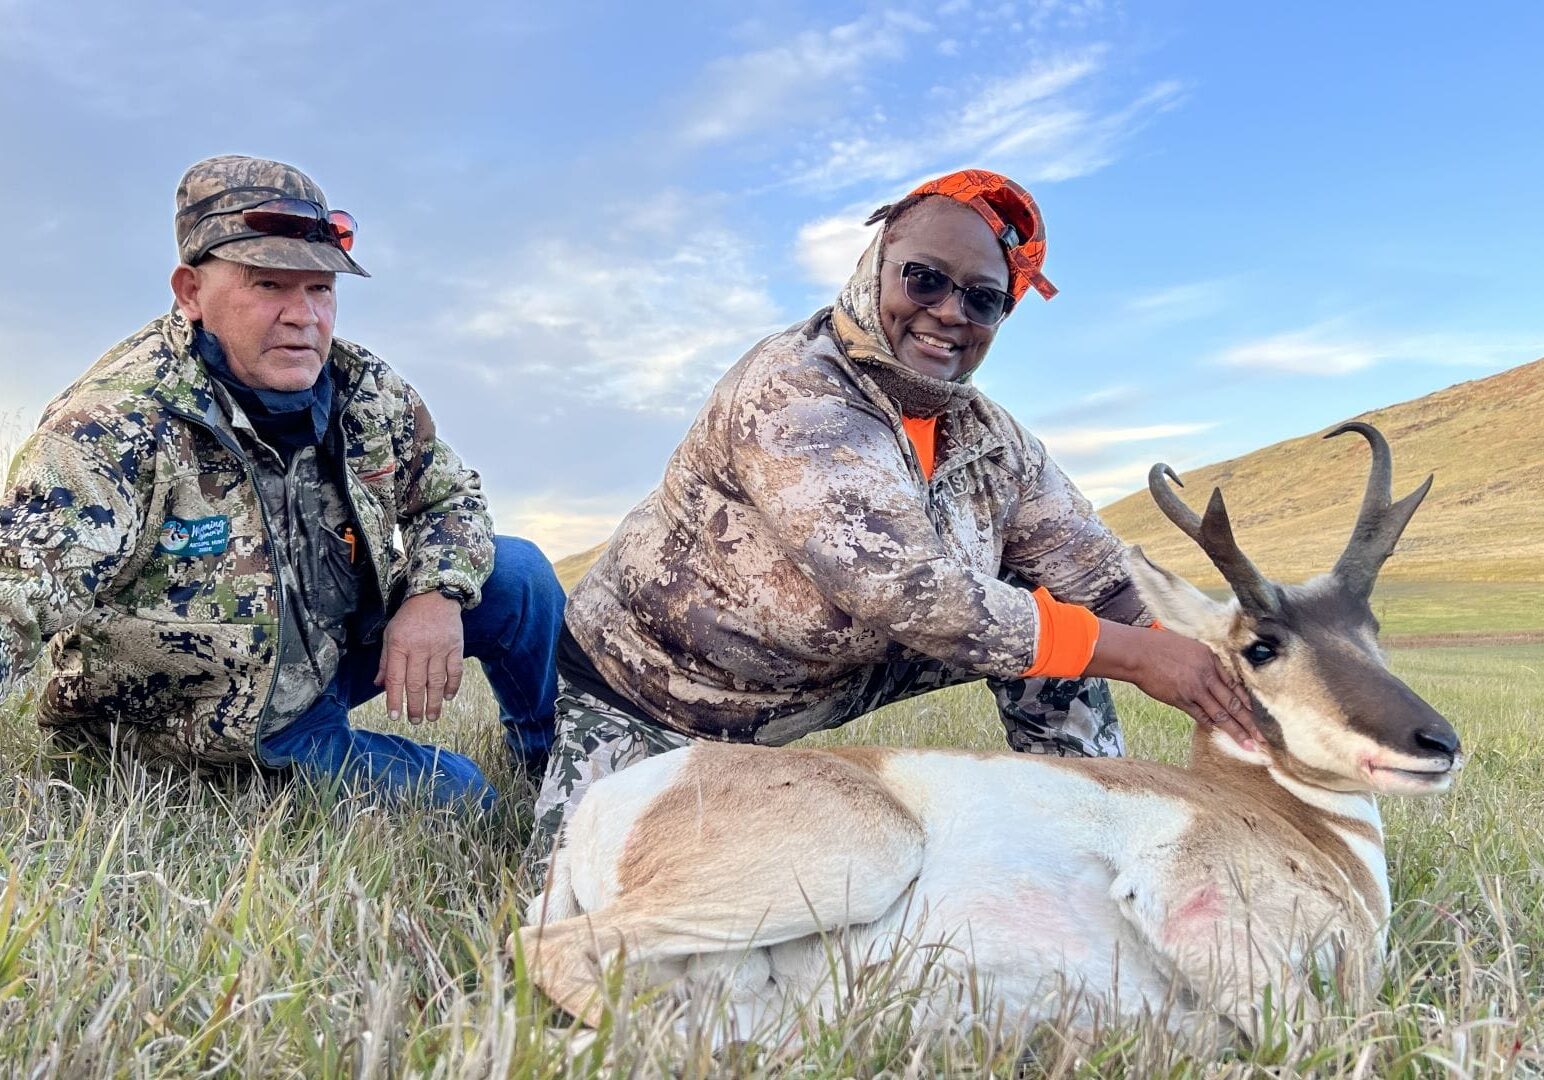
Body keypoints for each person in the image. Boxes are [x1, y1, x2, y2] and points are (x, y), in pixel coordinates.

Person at [529, 168, 1259, 861]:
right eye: (925, 279)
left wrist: (1207, 659)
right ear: (875, 266)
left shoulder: (991, 440)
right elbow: (907, 592)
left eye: (983, 299)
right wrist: (1138, 655)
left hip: (831, 674)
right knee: (581, 905)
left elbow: (1099, 576)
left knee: (1069, 629)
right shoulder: (795, 391)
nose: (949, 312)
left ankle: (1101, 831)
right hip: (657, 695)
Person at [0, 155, 562, 807]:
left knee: (517, 575)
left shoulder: (364, 388)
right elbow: (14, 596)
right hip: (196, 723)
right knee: (464, 799)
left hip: (323, 654)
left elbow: (448, 495)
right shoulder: (112, 426)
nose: (305, 316)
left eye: (320, 289)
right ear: (190, 292)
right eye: (269, 286)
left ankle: (556, 769)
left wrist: (436, 594)